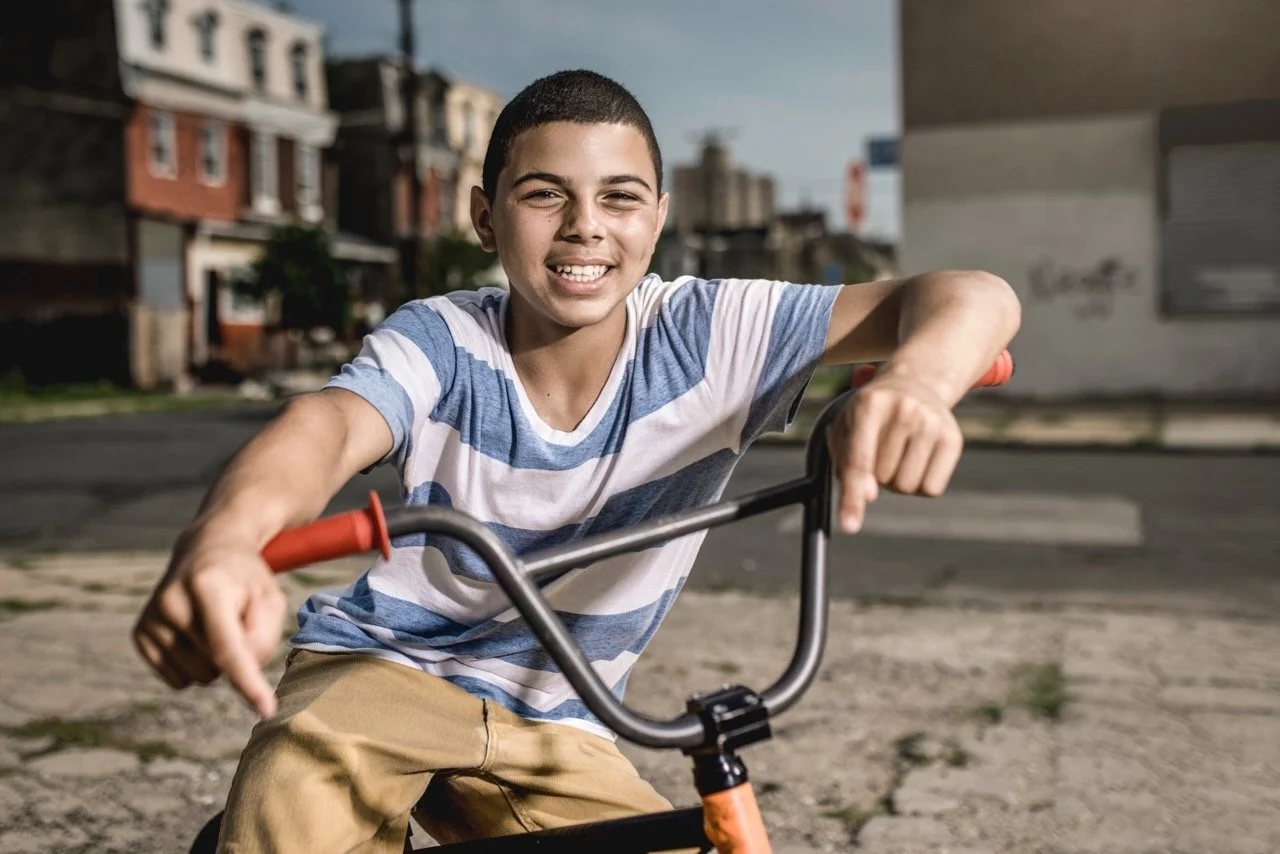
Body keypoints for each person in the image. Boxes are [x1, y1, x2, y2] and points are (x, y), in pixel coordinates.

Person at [133, 69, 1021, 853]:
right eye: (544, 195)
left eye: (621, 198)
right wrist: (226, 539)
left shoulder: (709, 334)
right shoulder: (440, 339)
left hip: (563, 718)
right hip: (382, 673)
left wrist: (915, 381)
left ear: (660, 218)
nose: (585, 227)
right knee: (289, 818)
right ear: (485, 214)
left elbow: (968, 295)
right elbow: (323, 428)